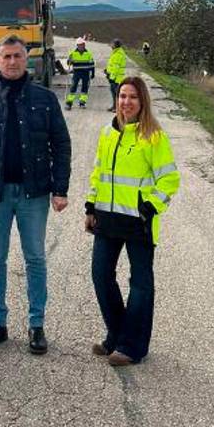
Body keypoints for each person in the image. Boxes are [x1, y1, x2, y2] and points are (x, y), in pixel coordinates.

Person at [0, 34, 71, 355]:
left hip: (33, 194)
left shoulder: (45, 99)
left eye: (17, 56)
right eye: (6, 56)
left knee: (35, 258)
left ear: (27, 59)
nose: (11, 62)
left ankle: (37, 325)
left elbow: (61, 145)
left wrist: (60, 189)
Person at [84, 76, 180, 366]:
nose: (126, 102)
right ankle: (116, 335)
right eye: (123, 96)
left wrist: (149, 207)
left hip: (138, 222)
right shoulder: (107, 133)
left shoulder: (154, 136)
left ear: (143, 102)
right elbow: (98, 172)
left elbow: (170, 179)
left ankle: (132, 346)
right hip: (107, 218)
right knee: (101, 276)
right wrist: (90, 206)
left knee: (140, 284)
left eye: (133, 97)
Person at [65, 37, 95, 110]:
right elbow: (68, 63)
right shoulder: (73, 53)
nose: (81, 46)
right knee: (73, 87)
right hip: (76, 73)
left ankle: (82, 102)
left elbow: (92, 64)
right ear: (77, 46)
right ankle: (69, 103)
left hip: (86, 73)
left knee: (84, 88)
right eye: (79, 45)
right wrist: (69, 60)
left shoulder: (88, 54)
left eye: (82, 45)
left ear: (84, 45)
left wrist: (93, 73)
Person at [105, 38, 126, 113]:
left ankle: (117, 108)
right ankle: (114, 106)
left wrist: (112, 77)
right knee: (114, 93)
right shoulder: (115, 52)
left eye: (112, 44)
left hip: (116, 78)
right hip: (114, 76)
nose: (111, 45)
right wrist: (107, 70)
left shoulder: (118, 54)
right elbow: (112, 65)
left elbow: (116, 67)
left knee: (116, 94)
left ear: (115, 45)